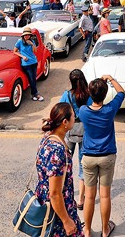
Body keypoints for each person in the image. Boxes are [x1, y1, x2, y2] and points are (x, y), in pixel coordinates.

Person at [80, 75, 125, 237]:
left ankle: (86, 230)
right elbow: (121, 92)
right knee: (105, 195)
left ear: (90, 93)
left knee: (90, 196)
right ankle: (105, 229)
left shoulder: (83, 111)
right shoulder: (109, 110)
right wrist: (111, 79)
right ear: (105, 95)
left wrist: (95, 85)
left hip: (88, 157)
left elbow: (85, 97)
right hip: (107, 156)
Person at [35, 102, 83, 237]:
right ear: (65, 122)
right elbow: (55, 193)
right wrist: (66, 221)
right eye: (73, 116)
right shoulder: (57, 151)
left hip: (47, 203)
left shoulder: (48, 137)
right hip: (58, 211)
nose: (76, 118)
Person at [60, 69, 91, 210]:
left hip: (70, 131)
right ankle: (80, 200)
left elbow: (59, 110)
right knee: (83, 164)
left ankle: (62, 192)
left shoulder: (67, 95)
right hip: (85, 131)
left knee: (65, 163)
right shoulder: (88, 95)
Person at [14, 27, 43, 101]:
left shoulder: (31, 41)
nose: (27, 36)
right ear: (23, 35)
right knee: (31, 79)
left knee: (34, 79)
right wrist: (22, 56)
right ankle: (36, 94)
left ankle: (34, 95)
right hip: (26, 64)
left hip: (34, 62)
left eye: (28, 35)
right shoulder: (19, 42)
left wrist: (32, 44)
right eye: (25, 35)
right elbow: (15, 51)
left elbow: (35, 51)